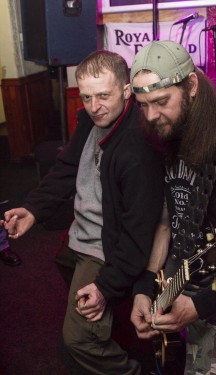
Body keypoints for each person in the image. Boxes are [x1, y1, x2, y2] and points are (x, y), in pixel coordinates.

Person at [1, 50, 164, 374]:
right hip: (80, 233)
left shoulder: (137, 148)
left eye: (103, 96)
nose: (94, 106)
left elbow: (137, 232)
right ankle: (108, 317)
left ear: (126, 92)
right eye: (87, 97)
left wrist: (105, 285)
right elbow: (66, 168)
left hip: (105, 245)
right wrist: (34, 209)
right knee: (64, 262)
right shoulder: (92, 118)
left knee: (78, 342)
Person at [129, 40, 216, 375]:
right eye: (142, 105)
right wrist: (145, 287)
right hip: (190, 279)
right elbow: (169, 222)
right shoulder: (171, 134)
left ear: (192, 85)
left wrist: (200, 304)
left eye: (160, 101)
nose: (151, 115)